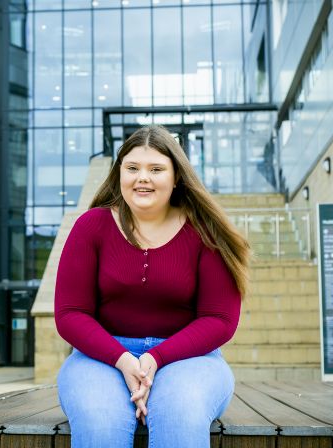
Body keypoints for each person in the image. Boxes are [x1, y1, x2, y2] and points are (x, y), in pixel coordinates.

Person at [54, 125, 250, 448]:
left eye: (156, 169)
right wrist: (123, 359)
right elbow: (70, 313)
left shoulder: (206, 231)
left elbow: (220, 320)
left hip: (189, 359)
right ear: (119, 174)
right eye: (132, 168)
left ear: (177, 177)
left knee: (179, 414)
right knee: (100, 420)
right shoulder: (91, 227)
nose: (142, 177)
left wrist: (156, 357)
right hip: (100, 358)